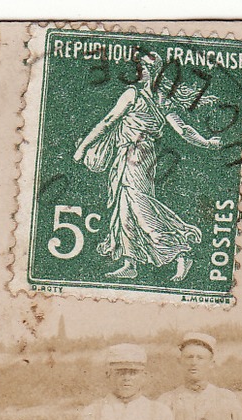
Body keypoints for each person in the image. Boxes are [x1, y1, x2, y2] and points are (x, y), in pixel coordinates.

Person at [70, 51, 221, 282]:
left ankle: (181, 252)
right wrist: (207, 143)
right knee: (124, 209)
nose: (139, 71)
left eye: (143, 67)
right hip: (135, 156)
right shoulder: (162, 99)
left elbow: (109, 121)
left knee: (142, 209)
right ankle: (130, 263)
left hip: (136, 157)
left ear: (151, 72)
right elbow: (183, 130)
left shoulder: (135, 95)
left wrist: (82, 149)